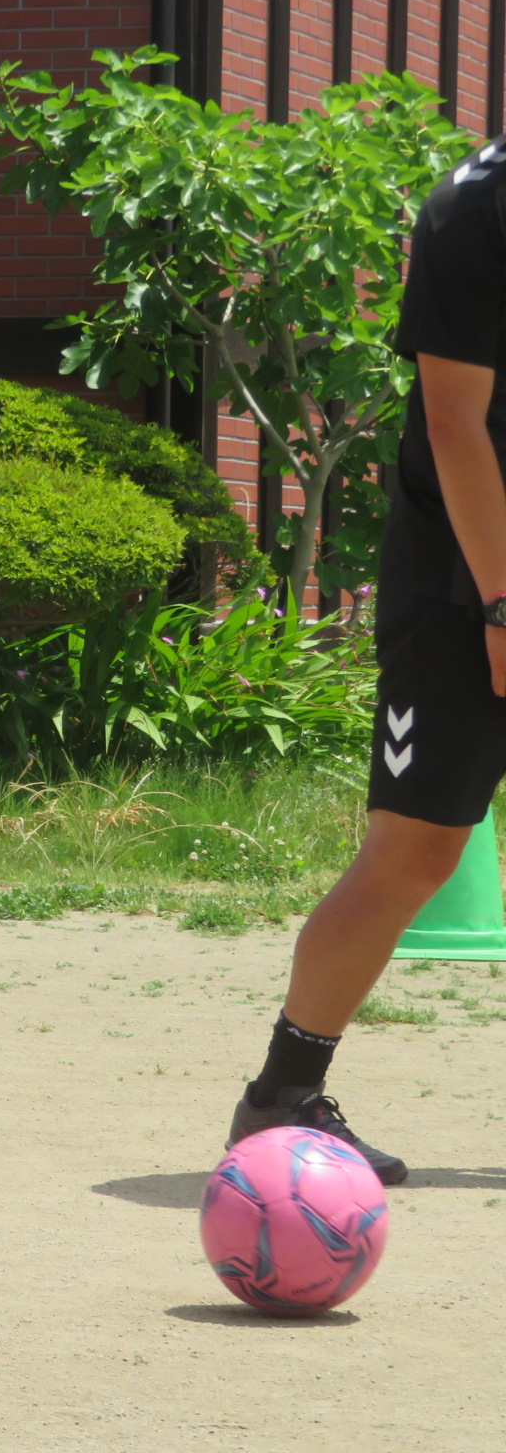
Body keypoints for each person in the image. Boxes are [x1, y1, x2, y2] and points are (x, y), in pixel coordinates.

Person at [217, 131, 506, 1186]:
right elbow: (455, 422)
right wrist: (500, 604)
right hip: (463, 585)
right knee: (415, 853)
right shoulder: (474, 210)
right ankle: (282, 1094)